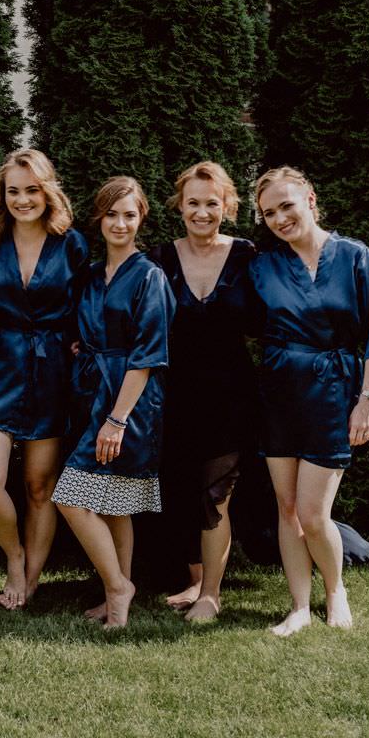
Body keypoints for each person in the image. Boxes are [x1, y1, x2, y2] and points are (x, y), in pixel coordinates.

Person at [250, 166, 369, 637]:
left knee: (314, 513)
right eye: (268, 213)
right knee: (286, 508)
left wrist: (368, 401)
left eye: (286, 206)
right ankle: (298, 605)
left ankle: (335, 590)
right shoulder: (263, 264)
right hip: (279, 391)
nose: (279, 218)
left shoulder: (355, 257)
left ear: (311, 200)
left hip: (334, 390)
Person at [0, 149, 89, 609]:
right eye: (14, 191)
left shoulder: (71, 243)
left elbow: (85, 305)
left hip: (53, 367)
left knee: (41, 485)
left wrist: (82, 345)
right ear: (3, 196)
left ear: (48, 191)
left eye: (32, 190)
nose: (23, 199)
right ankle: (14, 557)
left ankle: (30, 581)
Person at [52, 177, 174, 629]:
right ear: (99, 218)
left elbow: (147, 356)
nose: (120, 223)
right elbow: (78, 327)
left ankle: (121, 587)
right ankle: (114, 594)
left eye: (129, 214)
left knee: (70, 496)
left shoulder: (150, 277)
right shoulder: (89, 275)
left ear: (141, 218)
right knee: (113, 505)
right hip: (89, 392)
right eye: (111, 214)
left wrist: (117, 421)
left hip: (130, 403)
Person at [147, 162, 258, 622]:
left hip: (230, 393)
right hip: (172, 394)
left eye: (212, 203)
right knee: (178, 489)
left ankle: (212, 594)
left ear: (228, 207)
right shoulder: (158, 257)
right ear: (180, 206)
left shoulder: (248, 255)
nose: (202, 211)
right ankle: (195, 580)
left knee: (216, 494)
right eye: (193, 202)